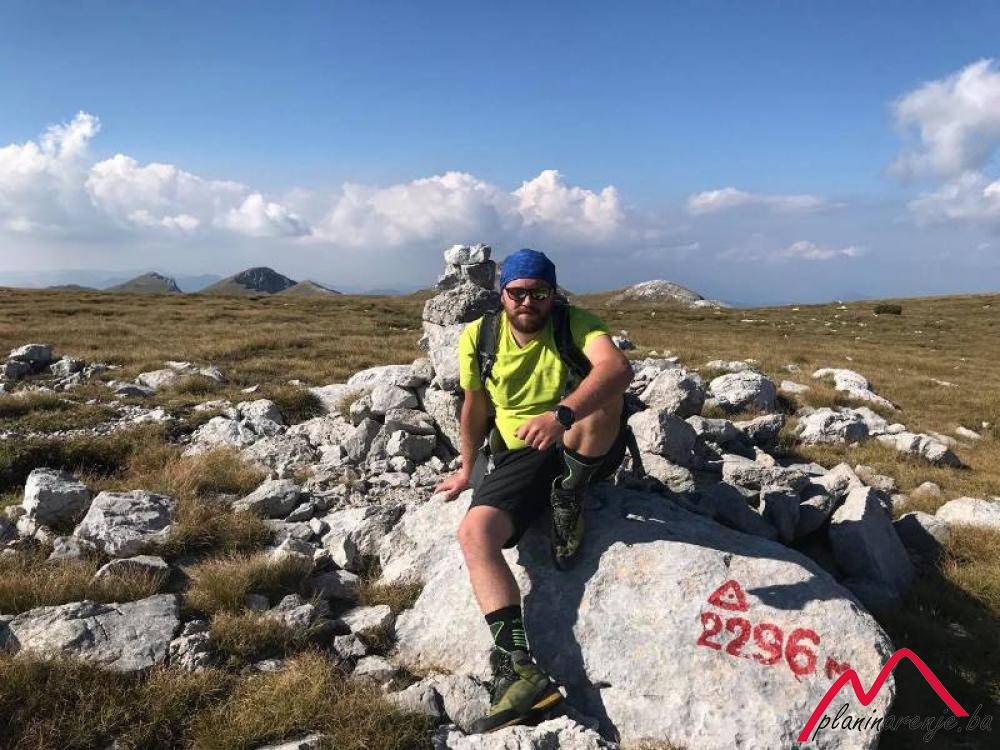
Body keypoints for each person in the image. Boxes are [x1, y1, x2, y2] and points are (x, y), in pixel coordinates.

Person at [433, 248, 634, 733]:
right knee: (475, 534)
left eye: (539, 293)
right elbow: (474, 407)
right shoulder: (479, 335)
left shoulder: (575, 323)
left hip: (578, 436)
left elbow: (617, 369)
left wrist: (559, 415)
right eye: (517, 292)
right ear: (502, 293)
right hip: (519, 454)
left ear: (553, 295)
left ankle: (570, 493)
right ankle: (518, 667)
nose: (528, 302)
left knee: (606, 396)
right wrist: (466, 470)